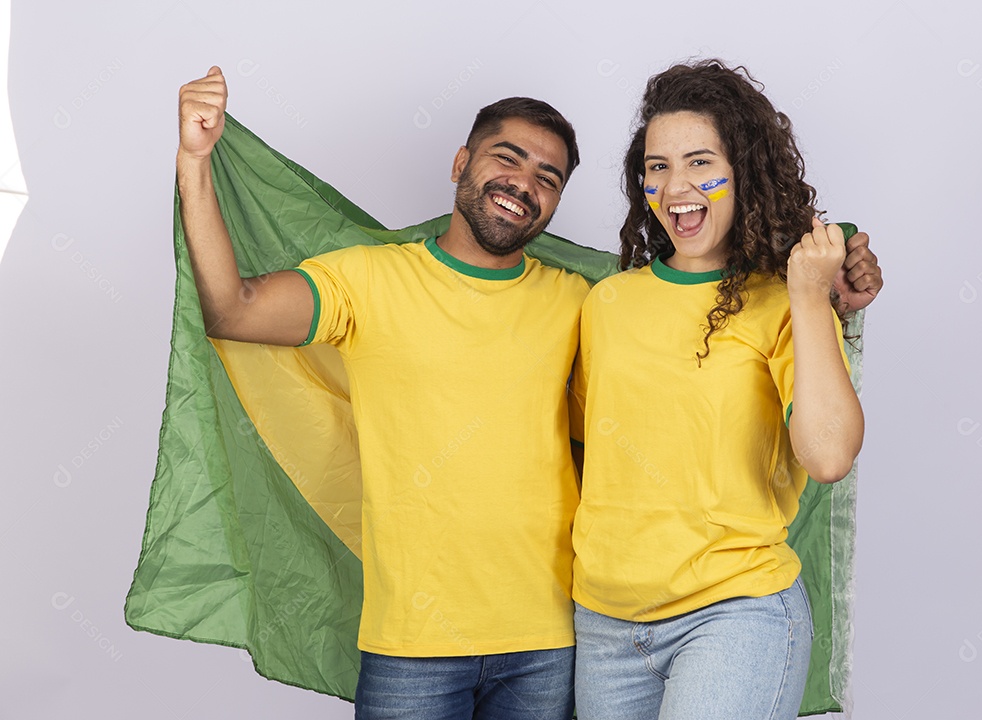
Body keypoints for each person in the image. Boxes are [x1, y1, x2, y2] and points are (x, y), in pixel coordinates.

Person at [176, 64, 880, 720]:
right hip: (513, 635)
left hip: (625, 627)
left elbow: (797, 428)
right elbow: (234, 309)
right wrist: (195, 164)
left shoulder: (641, 302)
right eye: (657, 168)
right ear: (461, 163)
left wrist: (832, 270)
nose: (523, 183)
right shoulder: (553, 300)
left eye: (548, 174)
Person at [569, 59, 867, 719]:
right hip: (603, 624)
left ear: (746, 172)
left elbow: (828, 455)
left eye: (701, 162)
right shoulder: (607, 303)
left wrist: (812, 296)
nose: (677, 187)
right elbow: (590, 453)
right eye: (657, 166)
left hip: (734, 612)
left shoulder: (785, 303)